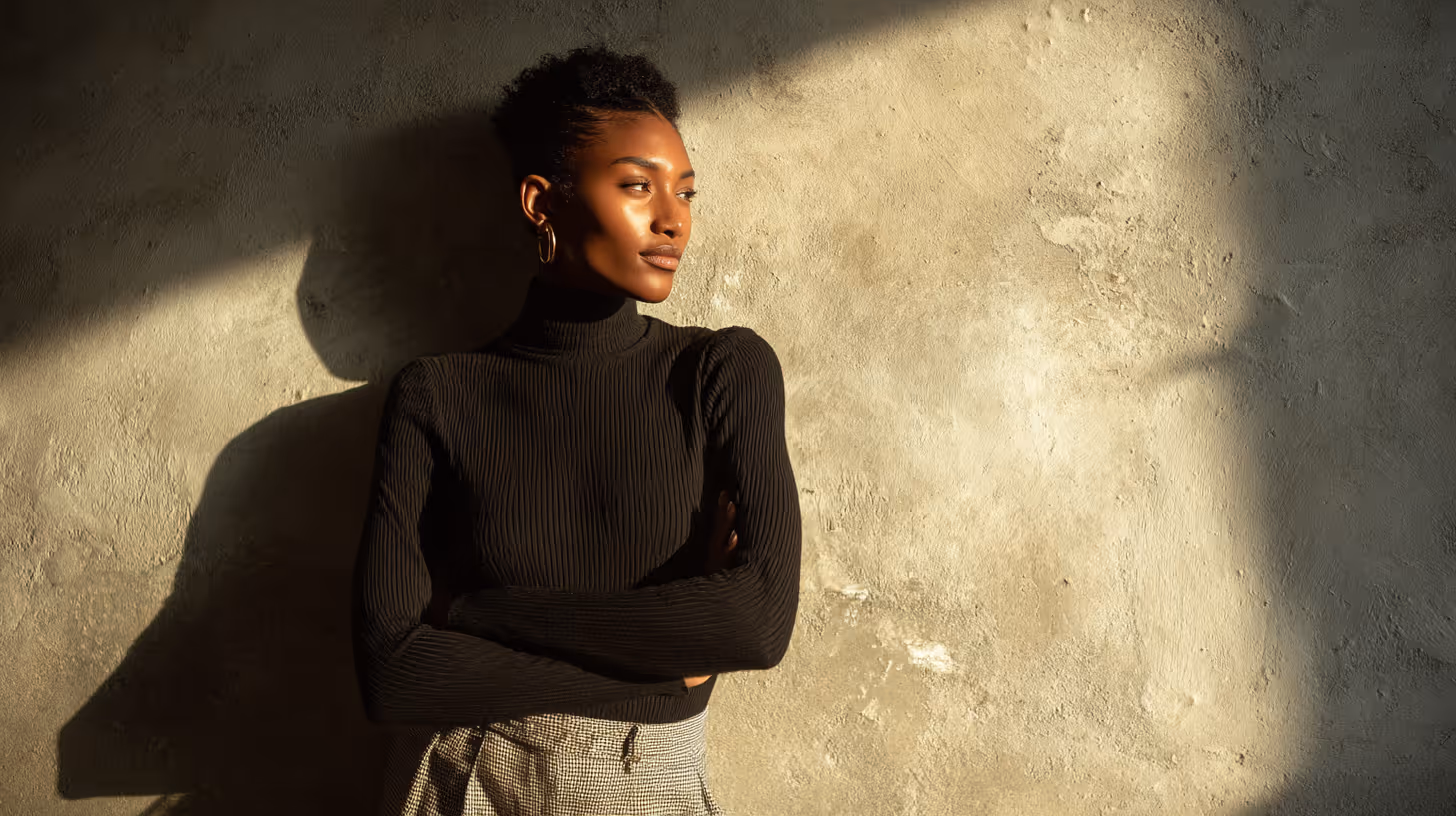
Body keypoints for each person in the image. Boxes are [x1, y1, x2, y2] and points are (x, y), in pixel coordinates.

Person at [351, 45, 802, 816]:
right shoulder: (440, 394)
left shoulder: (720, 372)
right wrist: (665, 672)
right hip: (466, 782)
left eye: (687, 192)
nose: (674, 219)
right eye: (637, 185)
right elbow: (395, 673)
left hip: (642, 787)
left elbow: (754, 625)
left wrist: (475, 613)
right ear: (541, 202)